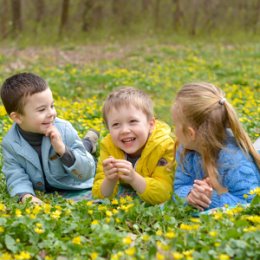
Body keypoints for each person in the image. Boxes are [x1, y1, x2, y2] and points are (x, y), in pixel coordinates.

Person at [0, 72, 98, 204]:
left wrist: (63, 150)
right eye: (42, 110)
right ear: (17, 117)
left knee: (82, 149)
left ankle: (89, 142)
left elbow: (88, 172)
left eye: (52, 106)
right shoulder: (10, 143)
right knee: (81, 145)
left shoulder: (64, 129)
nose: (51, 113)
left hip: (72, 169)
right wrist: (25, 196)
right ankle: (88, 142)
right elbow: (15, 174)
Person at [172, 82, 260, 211]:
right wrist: (190, 195)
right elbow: (180, 186)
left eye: (175, 125)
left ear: (191, 133)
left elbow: (251, 202)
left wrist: (210, 198)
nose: (174, 131)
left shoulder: (234, 162)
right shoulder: (185, 150)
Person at [92, 87, 175, 205]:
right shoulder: (109, 146)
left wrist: (134, 178)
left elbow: (164, 193)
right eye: (116, 124)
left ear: (150, 124)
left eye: (133, 121)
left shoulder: (164, 146)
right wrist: (110, 180)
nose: (125, 130)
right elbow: (97, 194)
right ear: (108, 129)